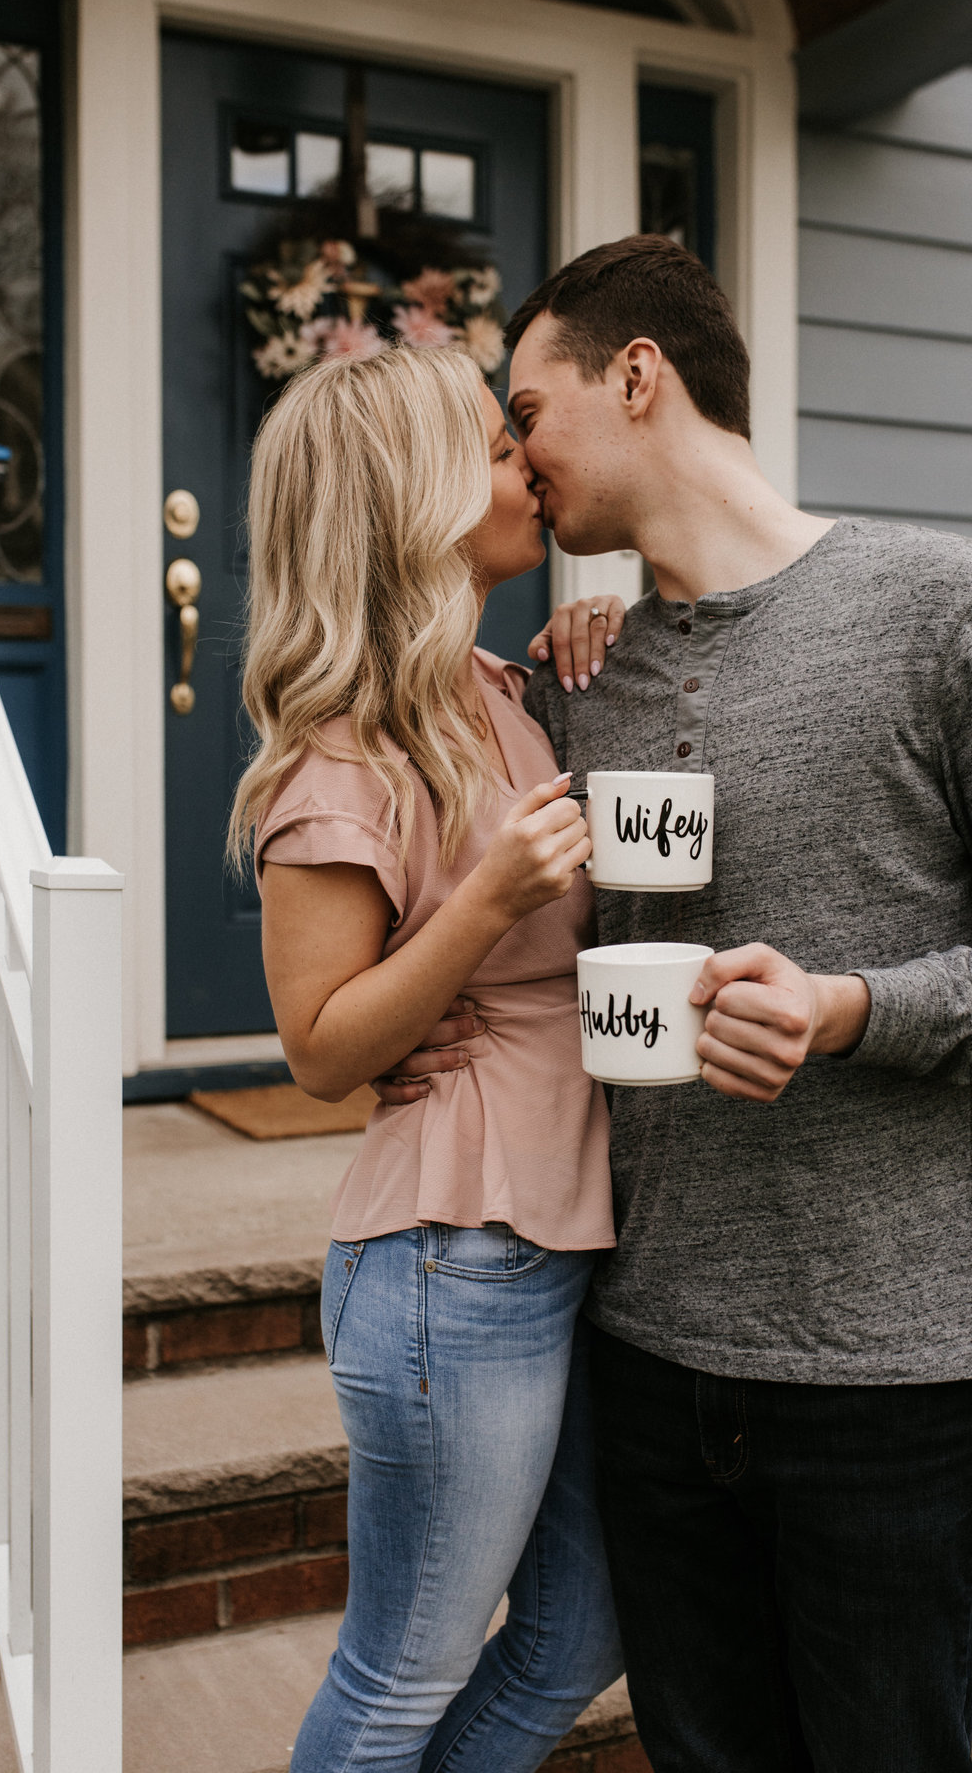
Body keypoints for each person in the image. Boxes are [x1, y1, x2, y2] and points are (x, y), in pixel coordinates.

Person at [374, 236, 972, 1772]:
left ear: (637, 377)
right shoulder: (579, 680)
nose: (516, 457)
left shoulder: (951, 612)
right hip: (650, 1362)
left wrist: (855, 1008)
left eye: (527, 412)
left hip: (896, 1369)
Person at [229, 344, 622, 1772]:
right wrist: (485, 905)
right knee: (399, 1677)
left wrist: (604, 637)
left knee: (581, 1631)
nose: (531, 465)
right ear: (418, 499)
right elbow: (320, 1051)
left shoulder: (505, 690)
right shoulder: (341, 755)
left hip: (567, 1233)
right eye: (499, 448)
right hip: (457, 1259)